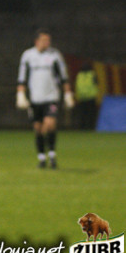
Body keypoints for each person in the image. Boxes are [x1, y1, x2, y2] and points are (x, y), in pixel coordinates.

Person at [16, 28, 74, 168]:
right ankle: (42, 157)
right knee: (38, 128)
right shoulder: (28, 56)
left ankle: (52, 154)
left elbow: (63, 76)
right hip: (35, 99)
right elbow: (22, 77)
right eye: (44, 40)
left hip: (51, 97)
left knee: (50, 124)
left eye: (48, 40)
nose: (47, 43)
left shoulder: (55, 55)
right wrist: (20, 94)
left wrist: (68, 94)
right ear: (36, 41)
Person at [74, 62, 99, 129]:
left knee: (82, 114)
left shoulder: (79, 75)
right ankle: (90, 127)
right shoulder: (92, 74)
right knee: (91, 114)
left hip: (81, 98)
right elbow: (96, 84)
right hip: (91, 98)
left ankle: (81, 127)